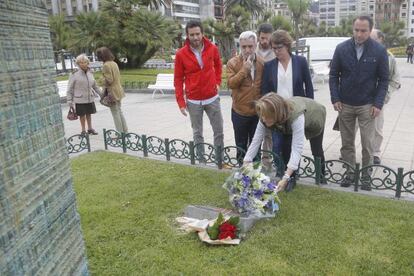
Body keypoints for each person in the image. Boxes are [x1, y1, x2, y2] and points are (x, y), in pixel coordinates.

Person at [329, 15, 389, 189]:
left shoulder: (379, 51)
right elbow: (334, 76)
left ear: (370, 31)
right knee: (346, 143)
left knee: (367, 144)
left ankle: (366, 177)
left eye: (363, 31)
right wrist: (335, 98)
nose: (359, 34)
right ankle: (349, 174)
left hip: (367, 105)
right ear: (353, 29)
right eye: (356, 30)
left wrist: (378, 103)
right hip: (345, 104)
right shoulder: (341, 49)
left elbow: (384, 79)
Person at [244, 93, 326, 192]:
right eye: (262, 116)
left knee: (316, 149)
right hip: (286, 119)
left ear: (276, 113)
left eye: (266, 117)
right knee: (286, 148)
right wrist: (246, 162)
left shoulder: (296, 116)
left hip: (315, 117)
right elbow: (256, 141)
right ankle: (292, 178)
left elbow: (297, 148)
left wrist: (285, 177)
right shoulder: (265, 116)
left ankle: (321, 176)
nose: (263, 120)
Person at [261, 30, 314, 170]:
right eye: (274, 48)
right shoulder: (269, 65)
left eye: (280, 48)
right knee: (277, 145)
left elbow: (308, 86)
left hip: (296, 111)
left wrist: (308, 108)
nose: (277, 51)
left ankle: (292, 176)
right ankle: (280, 173)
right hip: (277, 113)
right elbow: (265, 91)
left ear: (287, 46)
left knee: (293, 145)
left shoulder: (300, 62)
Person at [174, 20, 224, 163]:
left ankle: (219, 159)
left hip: (212, 98)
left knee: (219, 130)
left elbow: (219, 66)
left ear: (202, 33)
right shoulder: (181, 54)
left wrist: (218, 82)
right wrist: (181, 102)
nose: (195, 37)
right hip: (193, 100)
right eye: (192, 35)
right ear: (187, 36)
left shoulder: (212, 48)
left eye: (197, 34)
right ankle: (201, 160)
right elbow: (178, 79)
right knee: (197, 133)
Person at [227, 31, 264, 164]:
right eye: (244, 47)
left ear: (256, 45)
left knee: (256, 146)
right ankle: (242, 173)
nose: (247, 50)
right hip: (239, 112)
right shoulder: (233, 63)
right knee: (241, 145)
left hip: (257, 113)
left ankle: (257, 173)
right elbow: (231, 84)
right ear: (240, 47)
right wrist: (244, 69)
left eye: (250, 46)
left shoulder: (262, 63)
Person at [370, 29, 401, 165]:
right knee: (351, 127)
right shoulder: (358, 53)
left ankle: (375, 153)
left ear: (381, 39)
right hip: (358, 99)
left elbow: (395, 80)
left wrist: (385, 96)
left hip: (378, 100)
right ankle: (348, 152)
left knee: (377, 128)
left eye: (372, 38)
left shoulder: (389, 57)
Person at [255, 23, 275, 171]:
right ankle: (252, 160)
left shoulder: (276, 51)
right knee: (254, 132)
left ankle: (266, 162)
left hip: (269, 99)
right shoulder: (251, 49)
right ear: (258, 37)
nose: (264, 41)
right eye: (262, 38)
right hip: (253, 98)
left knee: (268, 133)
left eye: (267, 39)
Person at [67, 54, 101, 135]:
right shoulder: (74, 74)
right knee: (82, 115)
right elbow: (70, 89)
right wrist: (69, 100)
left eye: (85, 62)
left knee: (89, 113)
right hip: (79, 99)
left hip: (89, 97)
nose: (83, 64)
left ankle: (90, 128)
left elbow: (95, 86)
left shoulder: (90, 73)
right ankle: (83, 130)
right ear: (78, 64)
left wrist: (102, 94)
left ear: (87, 63)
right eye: (81, 63)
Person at [96, 47, 128, 133]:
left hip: (112, 92)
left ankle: (120, 133)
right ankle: (124, 131)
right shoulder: (114, 63)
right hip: (118, 90)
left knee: (115, 113)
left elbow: (109, 80)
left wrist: (100, 79)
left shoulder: (106, 65)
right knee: (119, 111)